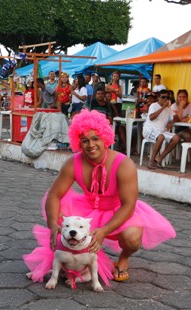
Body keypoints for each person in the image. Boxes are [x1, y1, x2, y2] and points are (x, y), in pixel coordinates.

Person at [23, 109, 176, 283]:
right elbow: (54, 195)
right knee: (61, 216)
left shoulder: (124, 164)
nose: (91, 145)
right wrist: (52, 225)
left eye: (95, 138)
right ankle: (74, 261)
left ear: (105, 138)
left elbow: (128, 205)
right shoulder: (73, 163)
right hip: (89, 209)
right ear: (78, 143)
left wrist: (103, 232)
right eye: (85, 140)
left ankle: (123, 258)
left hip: (119, 209)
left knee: (132, 238)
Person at [142, 90, 181, 169]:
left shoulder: (169, 109)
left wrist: (172, 121)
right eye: (163, 97)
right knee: (161, 137)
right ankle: (151, 162)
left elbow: (176, 118)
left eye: (167, 97)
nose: (165, 99)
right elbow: (151, 117)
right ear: (158, 98)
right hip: (149, 130)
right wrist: (163, 107)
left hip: (161, 131)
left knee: (176, 138)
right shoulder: (154, 105)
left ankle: (159, 158)